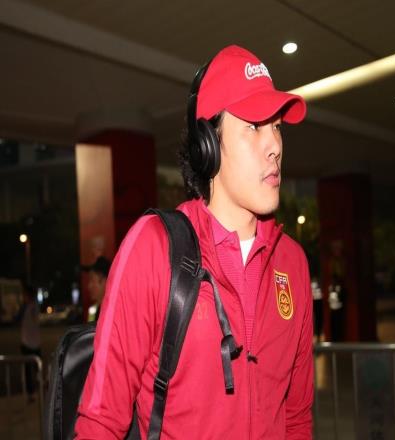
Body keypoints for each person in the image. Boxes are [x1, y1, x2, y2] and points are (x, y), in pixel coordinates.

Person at [75, 45, 313, 439]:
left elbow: (298, 419)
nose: (274, 145)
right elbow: (100, 422)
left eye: (277, 127)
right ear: (208, 144)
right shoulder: (154, 249)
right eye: (254, 126)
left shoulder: (293, 262)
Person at [17, 283, 41, 402]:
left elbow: (20, 319)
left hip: (32, 343)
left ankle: (36, 391)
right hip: (28, 343)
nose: (23, 297)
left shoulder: (32, 307)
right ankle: (32, 393)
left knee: (35, 369)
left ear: (29, 295)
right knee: (29, 370)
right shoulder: (27, 307)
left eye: (24, 294)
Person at [82, 256, 111, 322]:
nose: (89, 286)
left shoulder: (114, 310)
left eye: (92, 280)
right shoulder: (92, 310)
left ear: (105, 281)